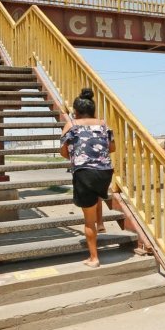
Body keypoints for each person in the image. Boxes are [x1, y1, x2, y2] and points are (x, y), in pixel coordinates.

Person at [59, 88, 116, 268]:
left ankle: (94, 258)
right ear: (93, 110)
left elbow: (62, 152)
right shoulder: (103, 124)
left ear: (76, 111)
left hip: (84, 173)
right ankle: (101, 223)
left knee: (87, 220)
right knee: (96, 195)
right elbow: (111, 148)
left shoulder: (71, 125)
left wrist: (76, 157)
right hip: (105, 172)